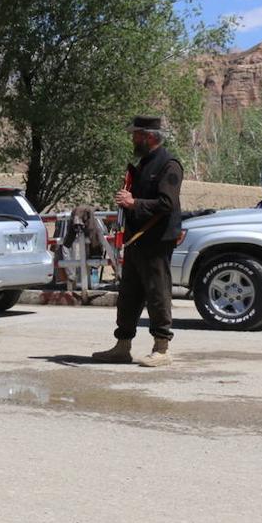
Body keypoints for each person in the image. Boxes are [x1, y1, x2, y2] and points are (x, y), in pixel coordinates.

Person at [92, 116, 183, 367]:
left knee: (157, 293)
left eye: (136, 134)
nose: (133, 139)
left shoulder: (169, 165)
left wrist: (134, 203)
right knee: (129, 295)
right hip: (136, 240)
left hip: (155, 240)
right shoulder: (143, 164)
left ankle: (162, 348)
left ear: (149, 136)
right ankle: (122, 347)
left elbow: (167, 204)